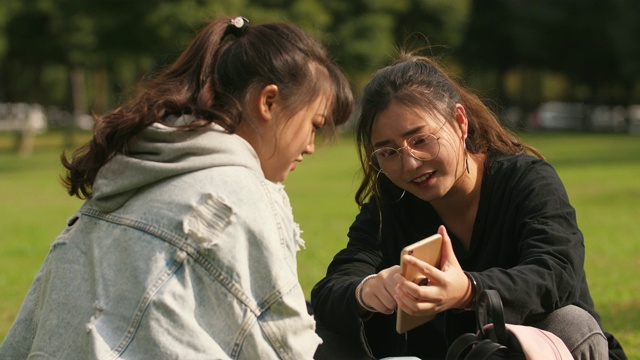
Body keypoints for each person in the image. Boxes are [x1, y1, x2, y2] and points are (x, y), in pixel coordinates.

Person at [0, 16, 353, 359]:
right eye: (314, 125)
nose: (310, 145)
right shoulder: (240, 194)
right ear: (268, 102)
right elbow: (287, 348)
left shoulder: (128, 174)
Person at [310, 52, 627, 360]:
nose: (409, 164)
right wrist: (368, 289)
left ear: (460, 122)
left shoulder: (526, 181)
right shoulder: (392, 204)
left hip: (532, 349)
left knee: (570, 323)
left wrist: (469, 290)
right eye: (388, 152)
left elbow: (557, 272)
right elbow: (333, 287)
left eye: (420, 140)